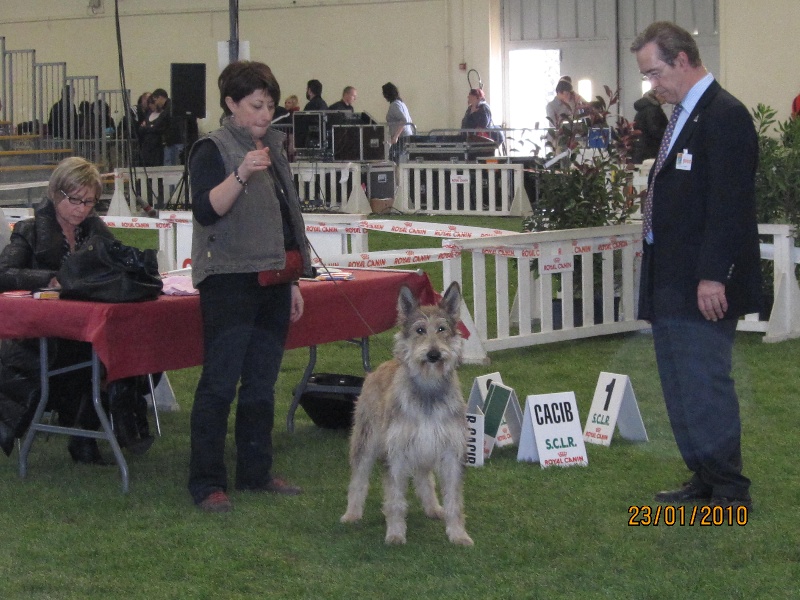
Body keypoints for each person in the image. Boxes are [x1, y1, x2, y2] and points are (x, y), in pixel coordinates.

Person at [631, 21, 760, 511]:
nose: (652, 85)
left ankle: (729, 490)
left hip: (701, 281)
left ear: (682, 60)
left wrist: (712, 275)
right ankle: (702, 477)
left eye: (655, 72)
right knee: (679, 383)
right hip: (670, 277)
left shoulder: (725, 115)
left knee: (705, 383)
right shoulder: (683, 114)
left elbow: (730, 205)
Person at [187, 60, 313, 513]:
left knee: (261, 383)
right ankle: (206, 481)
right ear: (230, 104)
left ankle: (255, 472)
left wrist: (293, 279)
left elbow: (284, 221)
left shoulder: (274, 148)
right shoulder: (212, 148)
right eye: (255, 105)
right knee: (219, 383)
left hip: (273, 279)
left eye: (270, 105)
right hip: (229, 281)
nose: (265, 114)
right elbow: (205, 211)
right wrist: (240, 173)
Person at [0, 157, 153, 462]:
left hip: (84, 332)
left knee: (135, 348)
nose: (82, 208)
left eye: (89, 202)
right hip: (40, 340)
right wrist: (50, 279)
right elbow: (4, 273)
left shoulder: (95, 228)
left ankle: (88, 430)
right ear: (56, 193)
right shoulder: (28, 231)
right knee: (106, 353)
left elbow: (120, 261)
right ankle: (93, 433)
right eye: (75, 200)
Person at [630, 89, 668, 164]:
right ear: (657, 95)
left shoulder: (644, 108)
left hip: (641, 147)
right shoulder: (653, 110)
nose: (666, 99)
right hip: (650, 148)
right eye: (664, 96)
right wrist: (668, 134)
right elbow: (654, 130)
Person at [382, 82, 413, 162]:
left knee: (394, 160)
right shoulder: (401, 104)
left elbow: (403, 120)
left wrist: (395, 136)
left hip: (401, 138)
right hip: (406, 137)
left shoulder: (394, 105)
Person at [138, 94, 168, 167]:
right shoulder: (148, 115)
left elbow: (159, 129)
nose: (151, 106)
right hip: (146, 146)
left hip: (157, 146)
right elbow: (141, 129)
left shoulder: (163, 115)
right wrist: (150, 127)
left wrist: (148, 127)